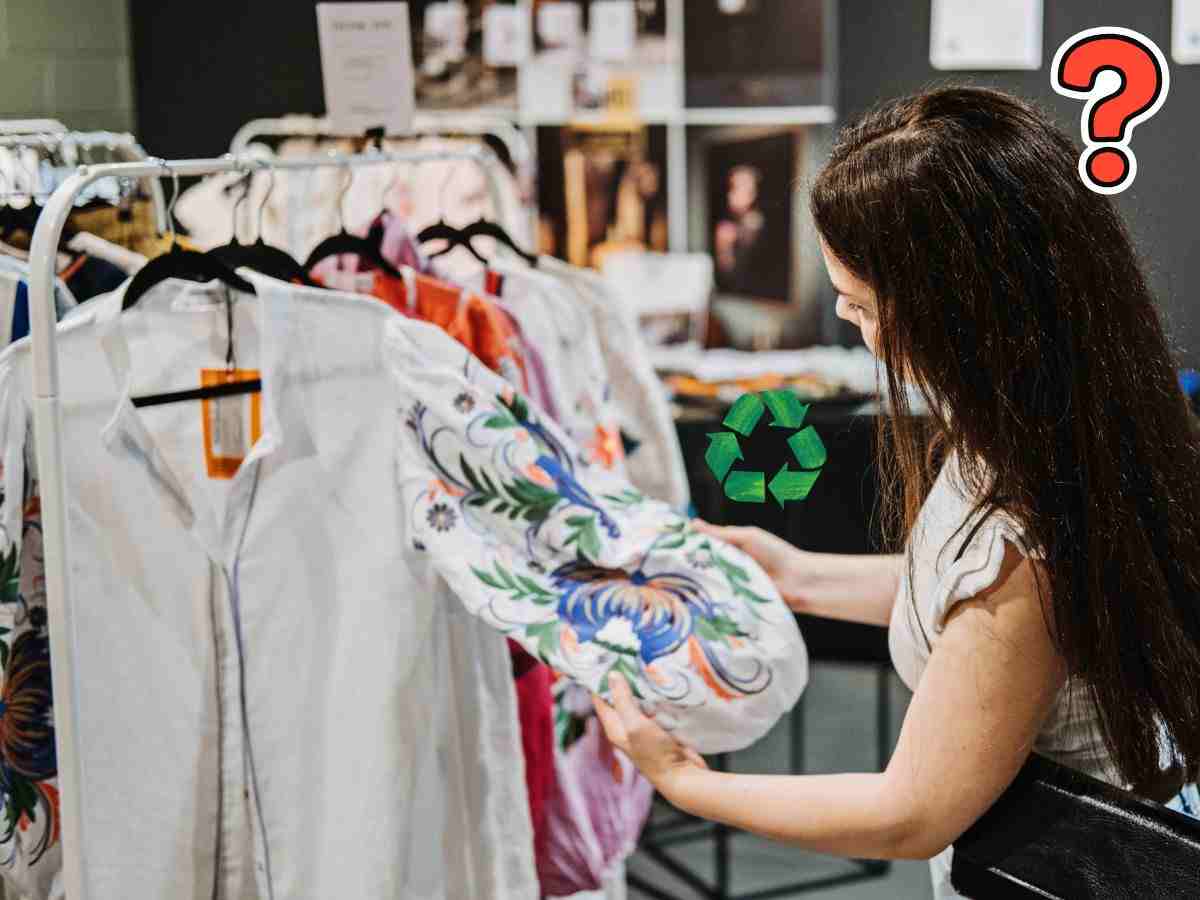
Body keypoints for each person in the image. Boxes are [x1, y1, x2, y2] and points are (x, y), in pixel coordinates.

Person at [592, 86, 1200, 899]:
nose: (855, 327)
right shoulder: (1054, 429)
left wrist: (683, 780)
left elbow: (911, 811)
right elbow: (965, 609)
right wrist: (794, 573)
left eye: (861, 305)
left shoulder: (1028, 522)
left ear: (954, 309)